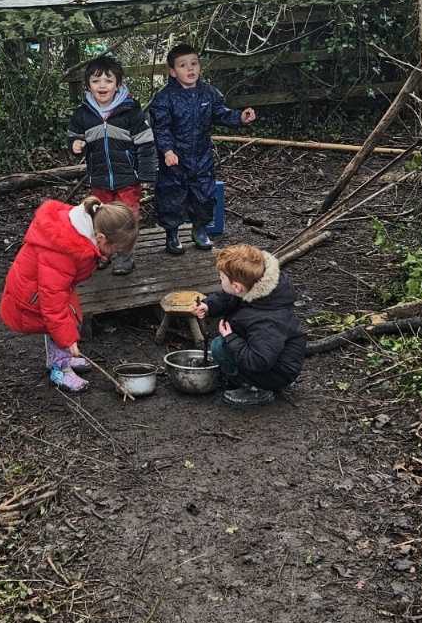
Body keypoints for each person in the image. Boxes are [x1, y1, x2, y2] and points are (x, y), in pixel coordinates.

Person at [0, 195, 140, 392]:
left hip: (47, 288)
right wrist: (67, 340)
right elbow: (53, 304)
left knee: (72, 319)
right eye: (113, 249)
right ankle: (59, 371)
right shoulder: (62, 251)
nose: (112, 254)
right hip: (32, 296)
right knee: (60, 325)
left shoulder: (83, 227)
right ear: (100, 237)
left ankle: (61, 358)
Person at [148, 43, 256, 255]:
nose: (190, 69)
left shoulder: (208, 93)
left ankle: (200, 229)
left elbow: (221, 113)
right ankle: (172, 234)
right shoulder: (165, 98)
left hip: (201, 155)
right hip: (175, 158)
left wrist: (240, 118)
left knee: (204, 193)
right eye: (183, 65)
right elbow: (161, 128)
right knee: (172, 195)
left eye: (194, 63)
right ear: (173, 71)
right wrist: (167, 150)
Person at [66, 52, 156, 275]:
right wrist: (76, 145)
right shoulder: (83, 113)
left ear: (117, 84)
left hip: (128, 178)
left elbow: (146, 143)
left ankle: (124, 257)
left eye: (108, 80)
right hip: (99, 178)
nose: (102, 85)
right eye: (96, 81)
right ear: (88, 86)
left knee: (126, 218)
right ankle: (103, 253)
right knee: (100, 217)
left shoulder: (130, 110)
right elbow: (74, 136)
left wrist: (146, 174)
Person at [194, 243, 306, 406]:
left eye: (222, 278)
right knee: (223, 344)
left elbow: (259, 361)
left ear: (237, 286)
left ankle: (258, 389)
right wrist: (209, 305)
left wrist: (231, 338)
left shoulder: (266, 322)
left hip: (275, 372)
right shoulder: (259, 287)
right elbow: (229, 297)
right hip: (266, 352)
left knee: (219, 347)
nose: (220, 280)